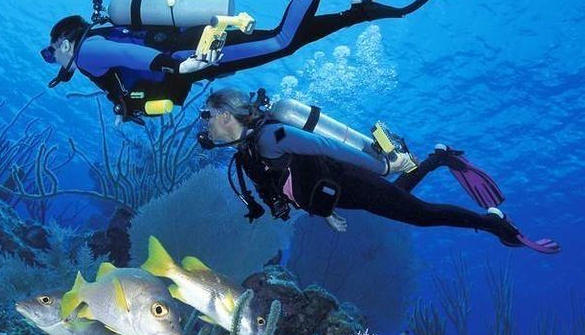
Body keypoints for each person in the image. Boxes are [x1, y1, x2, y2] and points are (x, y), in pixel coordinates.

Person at [41, 0, 479, 122]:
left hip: (194, 52)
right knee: (283, 40)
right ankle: (357, 14)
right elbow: (157, 89)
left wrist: (178, 63)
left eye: (52, 51)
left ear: (64, 41)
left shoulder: (88, 51)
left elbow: (134, 57)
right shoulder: (97, 51)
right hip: (194, 54)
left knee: (279, 41)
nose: (55, 59)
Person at [197, 87, 559, 254]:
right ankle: (437, 157)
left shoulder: (270, 136)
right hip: (342, 192)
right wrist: (322, 210)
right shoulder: (245, 152)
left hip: (350, 181)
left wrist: (382, 164)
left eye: (208, 116)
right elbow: (288, 183)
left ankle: (494, 222)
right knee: (399, 198)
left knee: (421, 215)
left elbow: (324, 147)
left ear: (226, 115)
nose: (206, 124)